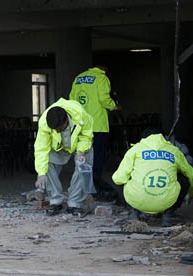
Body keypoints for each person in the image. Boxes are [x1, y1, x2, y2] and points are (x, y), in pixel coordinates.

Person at [112, 129, 193, 227]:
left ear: (143, 139)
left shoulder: (135, 150)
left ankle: (133, 214)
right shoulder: (174, 150)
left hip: (137, 200)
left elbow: (118, 179)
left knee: (121, 179)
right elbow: (191, 174)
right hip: (166, 201)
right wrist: (190, 193)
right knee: (184, 178)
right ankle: (168, 215)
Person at [34, 98, 94, 216]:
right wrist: (41, 174)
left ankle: (74, 202)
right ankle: (55, 200)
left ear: (66, 120)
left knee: (86, 159)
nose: (56, 131)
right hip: (57, 147)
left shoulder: (81, 115)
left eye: (58, 129)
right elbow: (41, 149)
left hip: (77, 144)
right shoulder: (44, 122)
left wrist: (81, 151)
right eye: (54, 130)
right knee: (45, 163)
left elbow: (87, 135)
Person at [69, 65, 118, 200]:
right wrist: (114, 106)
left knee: (82, 158)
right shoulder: (102, 78)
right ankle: (95, 190)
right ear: (104, 69)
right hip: (97, 125)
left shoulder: (78, 78)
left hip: (81, 124)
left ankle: (83, 190)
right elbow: (104, 99)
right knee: (96, 158)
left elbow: (72, 99)